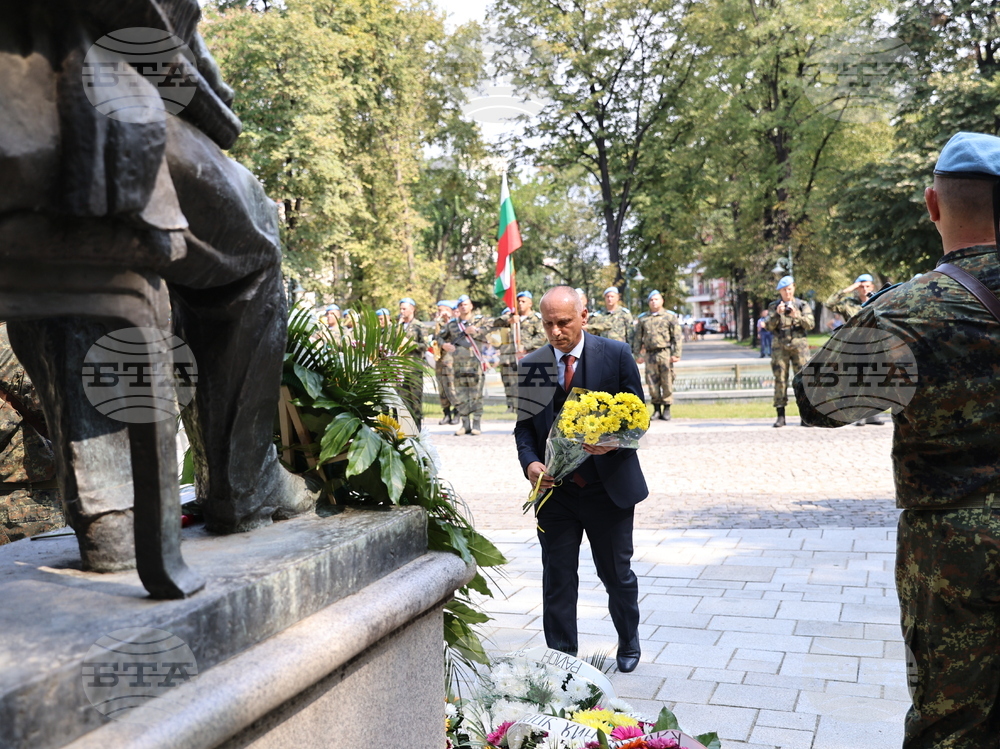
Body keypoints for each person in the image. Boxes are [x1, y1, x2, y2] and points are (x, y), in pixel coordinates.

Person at [794, 131, 1000, 748]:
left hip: (956, 552)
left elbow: (819, 403)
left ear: (934, 204)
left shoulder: (910, 310)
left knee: (953, 725)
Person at [514, 286, 648, 672]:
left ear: (584, 316)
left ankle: (628, 640)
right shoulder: (533, 365)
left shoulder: (616, 355)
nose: (556, 332)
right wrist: (530, 464)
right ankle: (561, 658)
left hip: (608, 490)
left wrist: (615, 443)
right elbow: (524, 429)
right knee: (557, 578)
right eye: (548, 323)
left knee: (616, 575)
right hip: (556, 494)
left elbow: (637, 420)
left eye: (564, 322)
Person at [825, 274, 884, 426]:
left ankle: (873, 415)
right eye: (861, 287)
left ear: (872, 287)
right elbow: (829, 303)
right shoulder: (849, 303)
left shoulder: (879, 301)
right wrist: (848, 289)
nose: (864, 289)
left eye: (867, 286)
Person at [765, 276, 814, 427]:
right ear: (780, 291)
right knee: (780, 379)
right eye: (784, 290)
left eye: (789, 289)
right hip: (780, 347)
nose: (787, 292)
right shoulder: (774, 306)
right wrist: (776, 315)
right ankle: (781, 416)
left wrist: (796, 315)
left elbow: (810, 324)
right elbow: (768, 326)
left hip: (799, 347)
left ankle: (805, 416)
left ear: (794, 288)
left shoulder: (802, 304)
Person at [437, 295, 489, 435]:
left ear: (471, 306)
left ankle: (476, 424)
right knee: (461, 396)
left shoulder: (480, 321)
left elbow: (491, 333)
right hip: (458, 365)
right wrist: (444, 345)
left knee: (476, 395)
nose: (463, 307)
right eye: (461, 305)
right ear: (458, 308)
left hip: (475, 364)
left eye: (466, 304)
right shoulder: (453, 324)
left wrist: (477, 331)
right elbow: (439, 336)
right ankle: (465, 424)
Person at [632, 290, 682, 421]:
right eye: (651, 300)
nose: (653, 302)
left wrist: (676, 353)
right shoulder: (643, 318)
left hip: (664, 352)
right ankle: (656, 409)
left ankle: (666, 409)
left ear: (662, 301)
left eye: (656, 299)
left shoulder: (670, 317)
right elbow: (638, 338)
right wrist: (637, 354)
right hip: (649, 354)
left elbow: (676, 337)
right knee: (652, 382)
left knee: (667, 380)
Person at [496, 291, 546, 412]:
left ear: (530, 303)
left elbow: (542, 336)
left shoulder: (536, 318)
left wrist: (526, 346)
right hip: (513, 359)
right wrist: (509, 320)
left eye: (523, 301)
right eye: (518, 301)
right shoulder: (512, 317)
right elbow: (495, 323)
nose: (520, 303)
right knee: (515, 389)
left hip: (530, 358)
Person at [397, 298, 427, 430]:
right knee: (402, 400)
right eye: (400, 309)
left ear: (412, 309)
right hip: (400, 369)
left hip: (414, 368)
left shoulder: (419, 326)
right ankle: (405, 428)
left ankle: (417, 428)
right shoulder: (398, 326)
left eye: (404, 309)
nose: (401, 311)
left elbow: (425, 345)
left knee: (415, 399)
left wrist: (410, 344)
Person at [432, 301, 460, 425]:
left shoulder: (456, 323)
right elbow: (435, 338)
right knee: (442, 388)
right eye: (439, 310)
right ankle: (446, 413)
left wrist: (449, 319)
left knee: (452, 387)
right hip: (440, 360)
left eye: (442, 309)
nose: (440, 312)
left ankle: (457, 412)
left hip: (452, 360)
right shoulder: (439, 324)